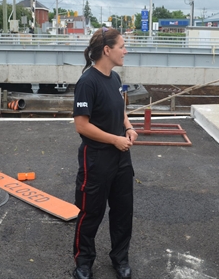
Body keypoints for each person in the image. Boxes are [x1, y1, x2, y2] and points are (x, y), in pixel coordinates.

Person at [72, 27, 138, 279]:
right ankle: (83, 262)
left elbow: (119, 109)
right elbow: (82, 125)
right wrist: (115, 140)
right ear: (107, 50)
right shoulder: (87, 82)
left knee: (123, 212)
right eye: (122, 46)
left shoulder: (115, 78)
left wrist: (129, 127)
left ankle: (120, 259)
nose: (126, 50)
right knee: (91, 213)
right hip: (96, 159)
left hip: (121, 158)